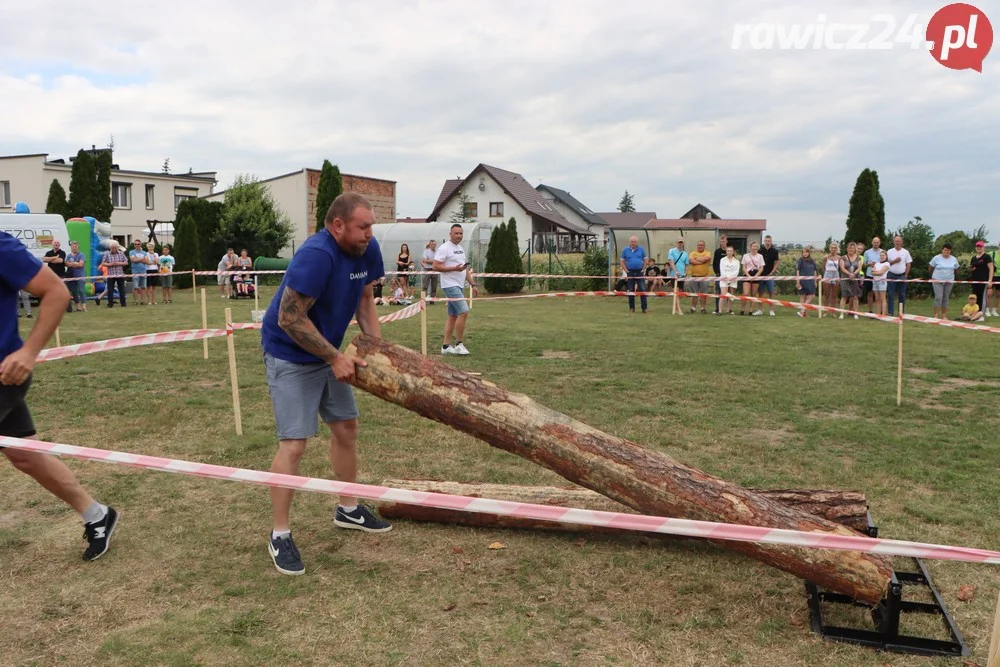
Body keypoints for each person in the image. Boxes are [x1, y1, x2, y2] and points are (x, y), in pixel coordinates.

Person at [260, 192, 391, 576]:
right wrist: (334, 358)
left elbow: (366, 300)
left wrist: (377, 351)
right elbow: (290, 319)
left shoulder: (366, 248)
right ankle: (279, 534)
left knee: (346, 427)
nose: (369, 233)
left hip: (331, 351)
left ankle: (348, 508)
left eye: (371, 226)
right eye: (362, 226)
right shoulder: (317, 255)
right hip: (290, 353)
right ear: (338, 225)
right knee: (295, 444)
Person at [1, 231, 120, 561]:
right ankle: (97, 514)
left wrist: (29, 352)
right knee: (25, 454)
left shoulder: (1, 246)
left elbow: (55, 291)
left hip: (5, 373)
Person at [433, 224, 479, 353]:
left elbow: (465, 269)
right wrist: (454, 268)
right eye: (456, 233)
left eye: (461, 233)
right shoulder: (444, 248)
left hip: (459, 285)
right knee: (464, 312)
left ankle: (446, 347)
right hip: (449, 285)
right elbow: (436, 266)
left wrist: (473, 284)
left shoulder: (460, 249)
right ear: (450, 234)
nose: (459, 236)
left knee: (452, 316)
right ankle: (459, 344)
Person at [929, 243, 960, 320]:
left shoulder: (954, 259)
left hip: (949, 281)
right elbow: (930, 268)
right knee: (938, 297)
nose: (946, 251)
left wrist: (956, 278)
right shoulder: (936, 258)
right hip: (937, 280)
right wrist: (933, 276)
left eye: (948, 250)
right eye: (945, 250)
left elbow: (956, 269)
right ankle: (936, 314)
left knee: (946, 298)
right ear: (942, 250)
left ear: (950, 251)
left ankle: (944, 315)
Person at [619, 235, 649, 314]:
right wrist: (626, 271)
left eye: (634, 241)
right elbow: (622, 261)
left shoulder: (641, 249)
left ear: (637, 242)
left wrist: (643, 269)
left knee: (642, 289)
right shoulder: (625, 250)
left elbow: (646, 260)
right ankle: (632, 308)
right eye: (632, 241)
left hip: (640, 272)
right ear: (630, 242)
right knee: (631, 290)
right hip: (630, 272)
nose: (633, 243)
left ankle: (644, 308)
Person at [42, 240, 73, 314]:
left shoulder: (62, 252)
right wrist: (55, 257)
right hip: (51, 276)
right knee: (51, 293)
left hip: (61, 275)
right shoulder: (49, 252)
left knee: (64, 292)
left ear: (59, 245)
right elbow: (44, 259)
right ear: (52, 245)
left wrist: (50, 259)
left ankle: (69, 309)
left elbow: (59, 261)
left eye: (57, 243)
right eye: (55, 243)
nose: (56, 244)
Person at [886, 235, 912, 316]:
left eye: (899, 241)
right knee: (890, 294)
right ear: (894, 242)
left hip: (902, 275)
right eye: (896, 241)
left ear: (902, 242)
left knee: (902, 294)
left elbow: (908, 263)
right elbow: (886, 264)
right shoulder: (889, 251)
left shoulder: (905, 252)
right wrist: (895, 261)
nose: (897, 242)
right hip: (891, 275)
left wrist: (906, 275)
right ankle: (890, 312)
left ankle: (901, 312)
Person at [838, 242, 862, 319]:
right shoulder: (843, 258)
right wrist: (849, 274)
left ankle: (856, 314)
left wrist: (854, 274)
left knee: (855, 296)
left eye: (852, 248)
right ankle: (841, 314)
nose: (851, 249)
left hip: (854, 279)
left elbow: (859, 267)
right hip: (845, 278)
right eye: (849, 248)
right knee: (844, 296)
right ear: (847, 249)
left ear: (855, 249)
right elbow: (842, 267)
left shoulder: (858, 258)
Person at [687, 239, 712, 313]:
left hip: (704, 277)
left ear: (704, 246)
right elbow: (691, 260)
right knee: (694, 294)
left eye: (701, 245)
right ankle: (693, 308)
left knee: (703, 294)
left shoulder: (707, 253)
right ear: (697, 246)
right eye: (699, 245)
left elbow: (706, 258)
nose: (700, 246)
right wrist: (700, 261)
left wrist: (696, 260)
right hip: (694, 277)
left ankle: (702, 308)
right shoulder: (692, 253)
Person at [969, 241, 994, 316]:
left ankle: (981, 314)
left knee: (982, 298)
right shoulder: (973, 258)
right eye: (977, 246)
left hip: (984, 281)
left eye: (980, 246)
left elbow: (991, 268)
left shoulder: (987, 257)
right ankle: (974, 313)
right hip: (975, 281)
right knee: (974, 297)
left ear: (983, 247)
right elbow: (972, 268)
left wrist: (990, 280)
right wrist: (972, 269)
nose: (979, 248)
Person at [740, 241, 764, 315]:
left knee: (753, 294)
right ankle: (742, 310)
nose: (755, 248)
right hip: (747, 274)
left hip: (756, 275)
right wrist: (749, 276)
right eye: (753, 246)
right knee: (745, 293)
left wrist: (756, 276)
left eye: (756, 246)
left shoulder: (760, 256)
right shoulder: (745, 256)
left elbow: (761, 268)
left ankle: (751, 310)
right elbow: (744, 268)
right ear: (750, 247)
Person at [101, 241, 128, 308]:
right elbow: (103, 263)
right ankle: (110, 304)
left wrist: (119, 263)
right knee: (110, 290)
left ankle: (123, 303)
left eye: (115, 248)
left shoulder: (121, 253)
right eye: (112, 248)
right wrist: (110, 264)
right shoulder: (107, 254)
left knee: (121, 289)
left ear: (117, 248)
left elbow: (126, 262)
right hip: (111, 274)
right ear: (110, 248)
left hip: (120, 274)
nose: (113, 249)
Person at [759, 235, 780, 316]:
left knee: (771, 293)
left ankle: (771, 310)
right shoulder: (760, 250)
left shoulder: (774, 251)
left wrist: (772, 272)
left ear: (771, 241)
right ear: (764, 241)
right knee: (761, 293)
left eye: (769, 241)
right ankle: (760, 310)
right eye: (766, 241)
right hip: (761, 275)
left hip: (770, 275)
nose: (767, 242)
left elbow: (777, 262)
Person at [666, 238, 689, 313]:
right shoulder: (671, 251)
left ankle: (676, 307)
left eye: (681, 242)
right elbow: (671, 262)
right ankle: (679, 309)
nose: (680, 244)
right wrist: (675, 271)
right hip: (674, 275)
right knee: (676, 291)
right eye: (679, 242)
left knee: (680, 293)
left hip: (682, 275)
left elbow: (686, 264)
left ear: (683, 243)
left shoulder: (685, 254)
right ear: (676, 243)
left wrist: (685, 273)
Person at [65, 240, 88, 312]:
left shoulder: (82, 255)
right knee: (74, 292)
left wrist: (72, 264)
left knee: (81, 291)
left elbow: (81, 264)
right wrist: (76, 263)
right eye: (73, 246)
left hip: (80, 275)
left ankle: (84, 307)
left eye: (76, 246)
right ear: (71, 247)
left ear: (78, 247)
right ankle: (78, 307)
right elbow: (67, 264)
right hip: (71, 276)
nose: (74, 248)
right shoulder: (68, 256)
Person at [794, 247, 817, 317]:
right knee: (803, 296)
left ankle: (802, 311)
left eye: (806, 252)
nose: (805, 253)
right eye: (803, 252)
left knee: (812, 295)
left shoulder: (812, 261)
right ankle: (803, 313)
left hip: (811, 281)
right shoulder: (800, 260)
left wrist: (815, 281)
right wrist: (798, 282)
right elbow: (797, 271)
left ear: (809, 253)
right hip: (803, 281)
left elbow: (815, 271)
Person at [863, 237, 883, 314]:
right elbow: (864, 264)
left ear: (880, 243)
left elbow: (885, 262)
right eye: (874, 242)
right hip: (869, 275)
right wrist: (869, 264)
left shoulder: (882, 252)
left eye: (877, 242)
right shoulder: (867, 252)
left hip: (880, 276)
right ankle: (870, 310)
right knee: (870, 294)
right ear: (872, 243)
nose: (876, 244)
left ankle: (880, 311)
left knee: (879, 294)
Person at [718, 245, 740, 315]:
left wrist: (731, 278)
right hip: (724, 279)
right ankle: (720, 311)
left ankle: (728, 310)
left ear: (733, 252)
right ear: (726, 252)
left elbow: (736, 271)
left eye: (730, 251)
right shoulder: (722, 260)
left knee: (731, 296)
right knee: (723, 295)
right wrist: (727, 279)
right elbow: (722, 270)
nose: (729, 252)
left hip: (733, 280)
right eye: (728, 251)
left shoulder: (736, 261)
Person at [821, 242, 841, 316]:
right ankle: (825, 311)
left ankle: (833, 312)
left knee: (834, 295)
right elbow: (823, 267)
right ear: (829, 249)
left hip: (835, 274)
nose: (833, 249)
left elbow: (840, 267)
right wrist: (825, 276)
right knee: (826, 294)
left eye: (834, 248)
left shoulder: (839, 257)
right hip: (827, 274)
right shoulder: (826, 257)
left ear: (836, 249)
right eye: (832, 248)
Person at [128, 240, 148, 305]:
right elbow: (133, 260)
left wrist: (138, 259)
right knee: (135, 287)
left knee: (143, 287)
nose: (137, 245)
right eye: (135, 244)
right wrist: (142, 259)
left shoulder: (144, 252)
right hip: (135, 271)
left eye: (138, 244)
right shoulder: (131, 252)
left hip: (143, 271)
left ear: (140, 244)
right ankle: (135, 301)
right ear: (134, 245)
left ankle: (142, 301)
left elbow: (146, 261)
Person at [712, 235, 728, 314]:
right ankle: (717, 308)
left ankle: (729, 309)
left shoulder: (729, 251)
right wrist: (717, 273)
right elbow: (714, 263)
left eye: (724, 241)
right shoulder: (717, 251)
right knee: (718, 292)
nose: (722, 243)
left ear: (726, 241)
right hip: (719, 276)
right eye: (721, 242)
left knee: (728, 293)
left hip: (728, 276)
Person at [872, 250, 890, 316]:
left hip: (882, 282)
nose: (882, 257)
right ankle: (878, 313)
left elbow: (881, 273)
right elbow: (872, 272)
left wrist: (876, 272)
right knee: (877, 299)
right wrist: (876, 272)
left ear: (886, 256)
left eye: (883, 255)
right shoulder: (877, 263)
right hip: (875, 282)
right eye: (881, 255)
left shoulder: (887, 264)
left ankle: (884, 314)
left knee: (883, 298)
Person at [990, 245, 1000, 318]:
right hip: (992, 276)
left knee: (998, 294)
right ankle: (986, 310)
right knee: (989, 293)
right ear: (998, 246)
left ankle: (994, 310)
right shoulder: (991, 253)